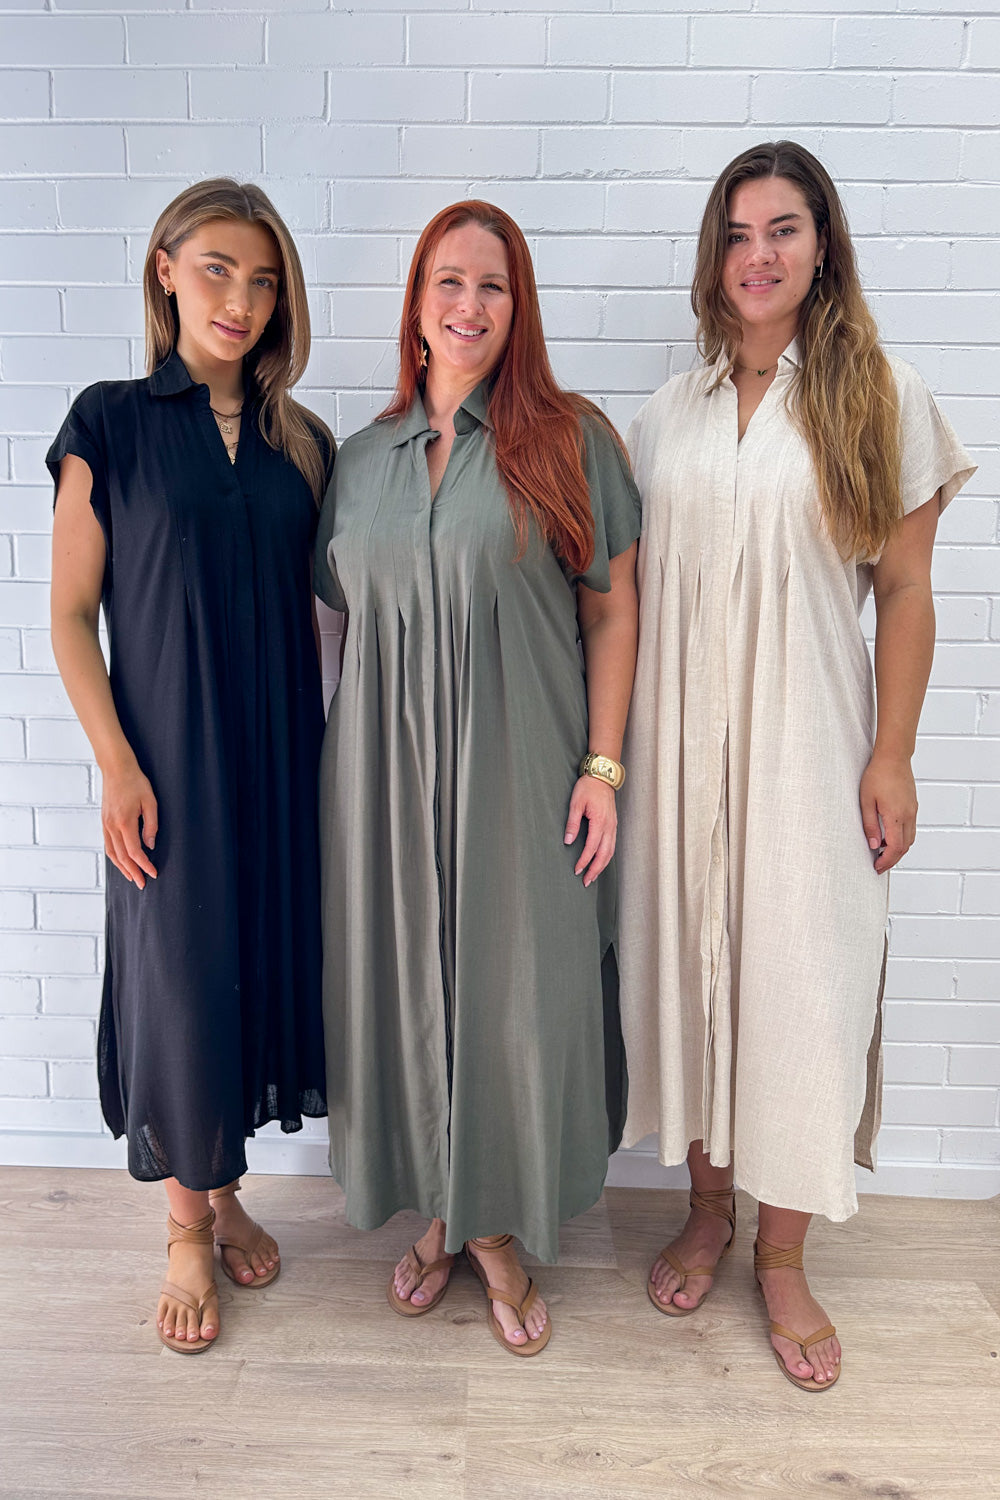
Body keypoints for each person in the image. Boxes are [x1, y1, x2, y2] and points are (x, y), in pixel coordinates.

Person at [617, 141, 975, 1391]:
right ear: (712, 257)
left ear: (823, 245)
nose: (757, 254)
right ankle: (706, 1210)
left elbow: (909, 589)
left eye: (782, 229)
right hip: (676, 750)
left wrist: (894, 754)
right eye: (736, 233)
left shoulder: (877, 394)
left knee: (800, 987)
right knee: (693, 975)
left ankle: (780, 1253)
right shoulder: (667, 415)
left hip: (809, 749)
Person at [314, 200, 640, 1356]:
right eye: (447, 281)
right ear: (415, 304)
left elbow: (612, 613)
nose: (468, 304)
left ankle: (492, 1225)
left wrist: (603, 767)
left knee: (513, 991)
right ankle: (441, 1209)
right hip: (382, 782)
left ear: (518, 308)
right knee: (406, 989)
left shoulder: (570, 441)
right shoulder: (359, 463)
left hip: (525, 763)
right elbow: (335, 622)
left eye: (492, 285)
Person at [48, 178, 334, 1354]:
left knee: (250, 971)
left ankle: (225, 1195)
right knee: (180, 981)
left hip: (282, 757)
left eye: (262, 280)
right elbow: (70, 615)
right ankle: (183, 1229)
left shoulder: (300, 444)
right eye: (217, 268)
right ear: (165, 269)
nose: (240, 299)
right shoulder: (109, 423)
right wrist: (116, 765)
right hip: (164, 761)